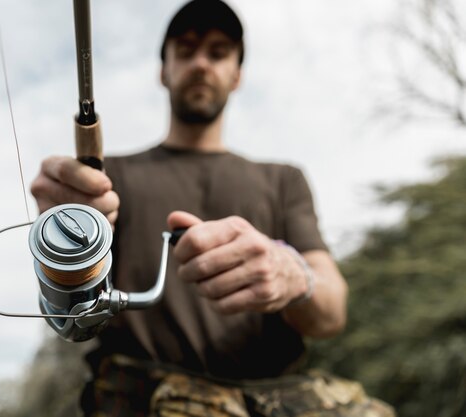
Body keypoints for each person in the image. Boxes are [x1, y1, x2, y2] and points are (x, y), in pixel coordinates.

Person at [31, 1, 395, 416]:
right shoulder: (109, 179)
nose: (201, 63)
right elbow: (70, 318)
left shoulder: (284, 180)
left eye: (218, 52)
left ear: (237, 75)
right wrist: (64, 242)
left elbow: (331, 312)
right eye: (185, 50)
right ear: (163, 71)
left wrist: (293, 276)